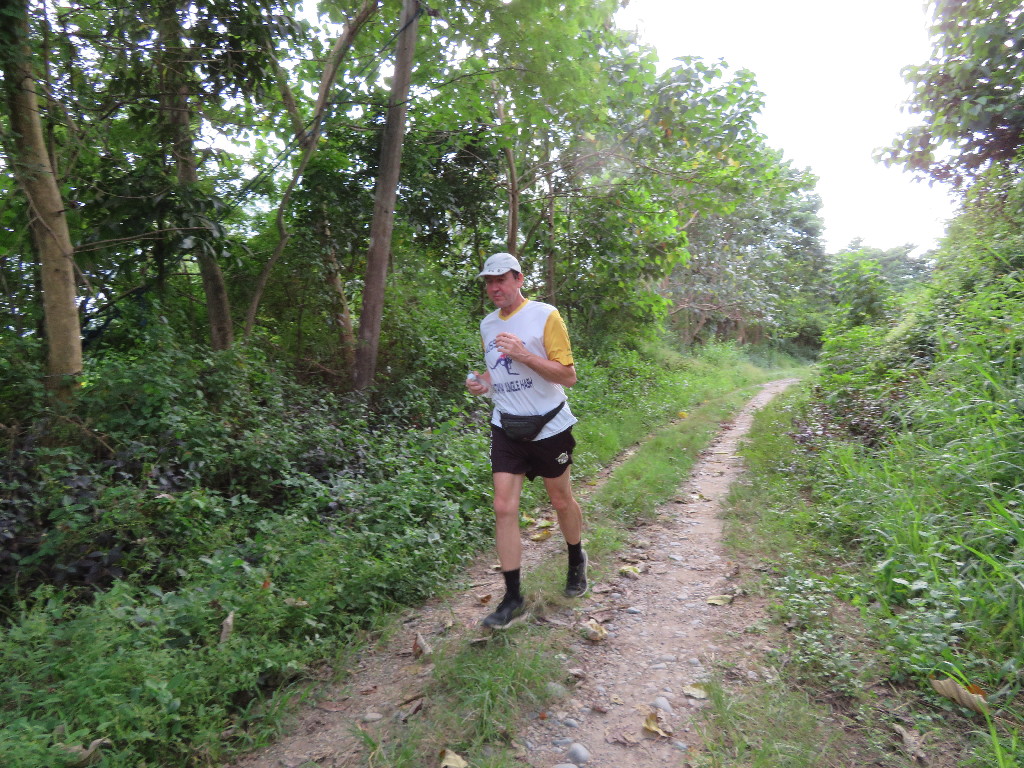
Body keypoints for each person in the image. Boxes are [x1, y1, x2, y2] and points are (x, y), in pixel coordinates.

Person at [466, 252, 588, 629]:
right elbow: (497, 371)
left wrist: (524, 354)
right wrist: (482, 383)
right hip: (506, 426)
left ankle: (576, 558)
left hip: (549, 425)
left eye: (501, 279)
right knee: (503, 507)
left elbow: (567, 376)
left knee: (560, 500)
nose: (494, 287)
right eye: (489, 281)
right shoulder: (488, 324)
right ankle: (512, 597)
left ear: (519, 279)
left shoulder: (545, 315)